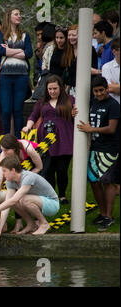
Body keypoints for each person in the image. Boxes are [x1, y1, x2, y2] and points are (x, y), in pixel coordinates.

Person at [23, 75, 77, 204]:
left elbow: (78, 116)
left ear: (61, 88)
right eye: (50, 89)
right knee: (49, 169)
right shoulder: (42, 102)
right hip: (46, 140)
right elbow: (33, 115)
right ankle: (52, 195)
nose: (52, 91)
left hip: (64, 139)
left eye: (55, 88)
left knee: (62, 169)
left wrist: (74, 113)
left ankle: (62, 195)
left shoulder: (70, 100)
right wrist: (28, 126)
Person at [0, 155, 59, 236]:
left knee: (23, 199)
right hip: (39, 202)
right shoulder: (10, 181)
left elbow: (14, 200)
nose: (3, 174)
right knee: (13, 201)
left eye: (4, 171)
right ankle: (31, 225)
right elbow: (8, 203)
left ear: (13, 170)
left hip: (52, 204)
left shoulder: (28, 177)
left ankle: (44, 224)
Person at [77, 76, 119, 231]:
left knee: (107, 181)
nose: (99, 94)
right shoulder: (93, 103)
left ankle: (109, 217)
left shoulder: (113, 105)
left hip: (110, 149)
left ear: (107, 88)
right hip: (95, 147)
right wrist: (76, 112)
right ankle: (102, 214)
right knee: (94, 181)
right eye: (96, 91)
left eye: (101, 90)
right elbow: (81, 115)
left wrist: (91, 130)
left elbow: (111, 128)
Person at [0, 134, 43, 233]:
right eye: (2, 150)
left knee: (30, 190)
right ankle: (19, 222)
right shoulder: (3, 155)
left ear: (14, 148)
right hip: (22, 164)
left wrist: (25, 180)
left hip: (40, 157)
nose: (3, 152)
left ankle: (38, 222)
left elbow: (39, 167)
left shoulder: (28, 149)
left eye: (6, 150)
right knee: (15, 193)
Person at [0, 7, 33, 138]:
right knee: (5, 110)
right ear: (9, 17)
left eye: (20, 14)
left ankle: (18, 140)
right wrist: (19, 51)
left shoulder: (25, 35)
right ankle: (5, 140)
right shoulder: (1, 34)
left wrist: (10, 50)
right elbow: (1, 52)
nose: (19, 16)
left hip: (21, 77)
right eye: (16, 14)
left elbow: (29, 53)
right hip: (5, 77)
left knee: (18, 110)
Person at [65, 24, 99, 96]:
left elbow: (93, 68)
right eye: (69, 35)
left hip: (87, 88)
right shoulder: (68, 51)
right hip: (73, 88)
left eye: (74, 35)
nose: (71, 37)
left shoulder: (89, 49)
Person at [101, 37, 120, 104]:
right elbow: (110, 88)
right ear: (114, 52)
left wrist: (117, 86)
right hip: (115, 107)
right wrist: (114, 87)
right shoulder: (107, 67)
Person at [32, 21, 50, 86]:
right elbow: (36, 68)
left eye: (41, 34)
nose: (39, 37)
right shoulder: (38, 49)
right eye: (38, 35)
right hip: (40, 81)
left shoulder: (52, 46)